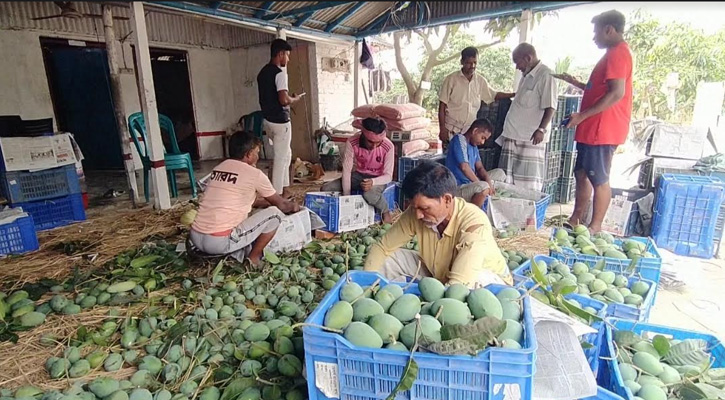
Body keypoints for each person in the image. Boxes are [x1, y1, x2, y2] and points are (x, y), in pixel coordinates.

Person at [364, 161, 512, 287]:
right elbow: (383, 248)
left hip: (487, 282)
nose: (418, 215)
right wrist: (364, 284)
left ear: (447, 199)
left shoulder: (474, 222)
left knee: (475, 283)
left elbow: (459, 286)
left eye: (425, 208)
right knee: (387, 259)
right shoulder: (416, 212)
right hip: (439, 273)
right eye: (414, 208)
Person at [553, 10, 633, 233]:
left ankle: (595, 226)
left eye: (596, 32)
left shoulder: (618, 53)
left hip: (602, 130)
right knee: (582, 173)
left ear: (609, 29)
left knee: (599, 177)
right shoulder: (612, 54)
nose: (594, 37)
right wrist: (577, 83)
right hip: (592, 129)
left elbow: (617, 93)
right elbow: (600, 90)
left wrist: (582, 116)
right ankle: (576, 218)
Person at [190, 131, 300, 266]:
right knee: (275, 215)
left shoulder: (218, 168)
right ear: (248, 154)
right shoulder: (255, 174)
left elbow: (242, 200)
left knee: (256, 213)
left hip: (195, 237)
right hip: (218, 242)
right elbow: (282, 206)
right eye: (257, 152)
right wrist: (294, 206)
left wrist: (264, 203)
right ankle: (254, 258)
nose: (258, 156)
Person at [497, 43, 558, 191]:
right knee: (507, 181)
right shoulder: (526, 76)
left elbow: (551, 106)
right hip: (513, 135)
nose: (517, 67)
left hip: (530, 138)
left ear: (528, 58)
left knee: (527, 184)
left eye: (518, 62)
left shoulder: (545, 75)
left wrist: (541, 129)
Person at [321, 117, 395, 223]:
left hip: (378, 178)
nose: (374, 146)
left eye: (378, 142)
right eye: (370, 142)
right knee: (326, 188)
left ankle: (385, 211)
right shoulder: (352, 142)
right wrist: (347, 198)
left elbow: (388, 176)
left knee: (369, 195)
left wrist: (373, 182)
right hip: (359, 175)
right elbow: (346, 170)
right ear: (363, 134)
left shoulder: (388, 146)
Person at [438, 46, 516, 145]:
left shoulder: (480, 81)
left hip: (469, 133)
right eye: (469, 63)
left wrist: (514, 94)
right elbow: (442, 106)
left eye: (475, 63)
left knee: (466, 160)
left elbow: (494, 95)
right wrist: (442, 129)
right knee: (451, 159)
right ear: (462, 62)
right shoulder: (451, 79)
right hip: (451, 130)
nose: (472, 66)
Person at [257, 38, 305, 197]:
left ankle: (285, 188)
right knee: (280, 158)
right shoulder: (280, 73)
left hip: (268, 120)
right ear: (280, 54)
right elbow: (283, 99)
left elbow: (271, 96)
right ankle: (276, 194)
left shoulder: (262, 73)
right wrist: (294, 100)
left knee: (286, 154)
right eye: (287, 55)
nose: (288, 59)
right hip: (280, 121)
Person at [445, 118, 507, 208]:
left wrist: (488, 182)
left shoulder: (474, 146)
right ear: (475, 131)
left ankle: (489, 202)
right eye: (482, 138)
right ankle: (474, 214)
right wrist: (481, 184)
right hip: (458, 188)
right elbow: (464, 167)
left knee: (500, 173)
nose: (482, 142)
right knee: (482, 187)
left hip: (471, 184)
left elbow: (480, 168)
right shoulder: (459, 139)